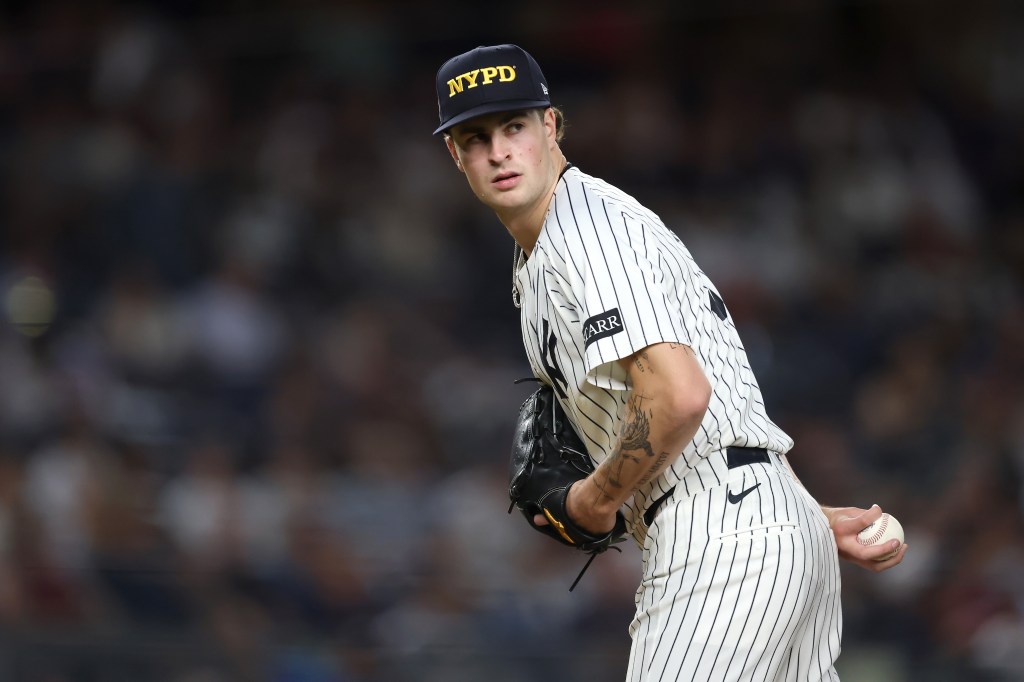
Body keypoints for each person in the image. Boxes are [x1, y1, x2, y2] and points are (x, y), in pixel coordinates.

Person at [433, 43, 907, 681]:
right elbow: (723, 402)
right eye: (476, 137)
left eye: (514, 126)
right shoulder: (552, 248)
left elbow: (679, 396)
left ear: (551, 125)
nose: (498, 151)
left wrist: (595, 499)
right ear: (455, 154)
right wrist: (807, 518)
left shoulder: (587, 231)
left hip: (721, 544)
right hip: (760, 523)